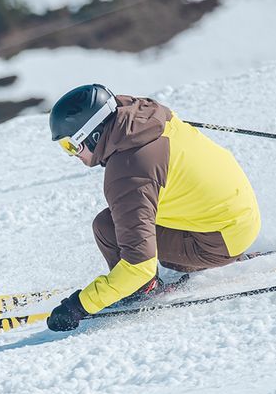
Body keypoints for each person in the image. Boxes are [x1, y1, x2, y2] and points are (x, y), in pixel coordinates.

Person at [46, 84, 262, 332]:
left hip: (218, 241)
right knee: (123, 221)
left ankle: (145, 289)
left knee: (107, 227)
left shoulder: (129, 171)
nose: (72, 155)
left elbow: (139, 265)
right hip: (241, 216)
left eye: (71, 146)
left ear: (95, 135)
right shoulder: (146, 117)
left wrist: (79, 305)